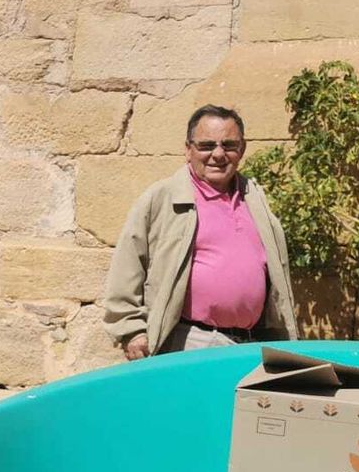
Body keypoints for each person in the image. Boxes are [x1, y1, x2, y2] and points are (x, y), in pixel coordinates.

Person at [102, 104, 297, 357]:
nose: (218, 154)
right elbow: (128, 265)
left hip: (251, 342)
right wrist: (131, 330)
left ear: (242, 149)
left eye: (228, 145)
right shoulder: (162, 198)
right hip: (190, 340)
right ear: (188, 150)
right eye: (206, 146)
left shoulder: (254, 198)